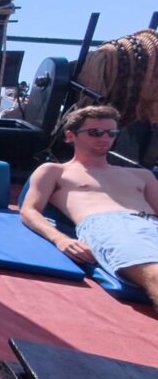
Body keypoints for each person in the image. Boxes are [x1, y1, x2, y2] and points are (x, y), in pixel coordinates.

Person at [21, 104, 158, 309]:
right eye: (95, 132)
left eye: (112, 133)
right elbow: (28, 210)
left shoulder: (142, 175)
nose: (105, 138)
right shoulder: (55, 171)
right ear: (70, 136)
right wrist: (60, 239)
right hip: (110, 226)